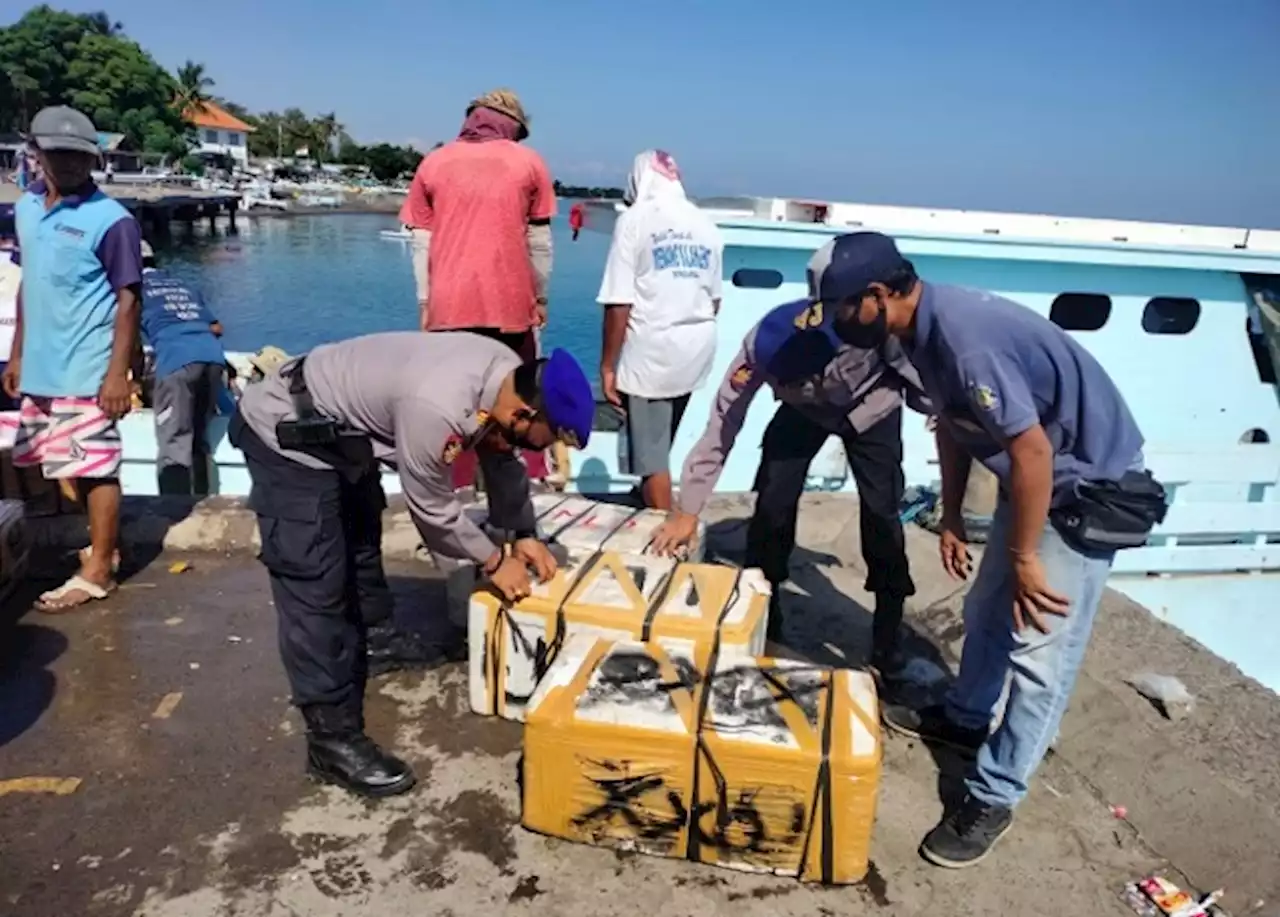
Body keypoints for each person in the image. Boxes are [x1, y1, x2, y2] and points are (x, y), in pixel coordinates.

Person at [823, 231, 1151, 869]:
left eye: (843, 309)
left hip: (1086, 485)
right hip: (1034, 479)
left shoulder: (968, 341)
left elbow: (1032, 453)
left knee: (1040, 653)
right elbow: (953, 425)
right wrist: (949, 516)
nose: (839, 324)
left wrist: (1027, 556)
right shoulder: (916, 332)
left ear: (878, 295)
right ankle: (967, 717)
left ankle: (995, 794)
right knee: (986, 609)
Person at [230, 332, 592, 797]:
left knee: (360, 541)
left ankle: (376, 642)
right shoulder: (437, 407)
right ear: (522, 413)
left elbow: (502, 458)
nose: (539, 452)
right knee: (316, 583)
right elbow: (433, 512)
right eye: (542, 441)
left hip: (342, 435)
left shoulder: (504, 376)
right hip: (286, 432)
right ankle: (332, 740)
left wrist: (523, 533)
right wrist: (495, 559)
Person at [652, 238, 931, 681]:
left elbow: (919, 373)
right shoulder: (759, 349)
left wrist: (942, 410)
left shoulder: (864, 326)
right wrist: (688, 511)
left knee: (881, 513)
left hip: (871, 408)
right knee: (773, 499)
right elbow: (722, 427)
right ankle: (765, 603)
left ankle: (887, 627)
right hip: (804, 415)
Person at [3, 106, 142, 612]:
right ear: (37, 155)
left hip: (87, 364)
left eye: (79, 157)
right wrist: (18, 352)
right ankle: (102, 546)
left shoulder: (113, 221)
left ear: (93, 159)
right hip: (40, 365)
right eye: (56, 154)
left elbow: (129, 298)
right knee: (62, 463)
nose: (67, 165)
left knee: (97, 466)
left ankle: (99, 569)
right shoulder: (27, 209)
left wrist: (117, 374)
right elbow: (27, 283)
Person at [399, 88, 556, 487]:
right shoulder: (529, 162)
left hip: (448, 310)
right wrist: (539, 297)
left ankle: (459, 491)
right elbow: (538, 242)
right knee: (517, 402)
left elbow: (422, 241)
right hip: (510, 310)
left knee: (455, 404)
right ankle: (512, 496)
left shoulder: (433, 163)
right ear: (514, 127)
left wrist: (425, 302)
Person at [598, 150, 723, 511]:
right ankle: (650, 501)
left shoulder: (635, 220)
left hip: (654, 351)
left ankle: (663, 536)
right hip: (697, 348)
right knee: (661, 441)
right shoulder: (706, 224)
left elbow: (618, 301)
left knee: (651, 459)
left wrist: (608, 366)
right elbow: (715, 301)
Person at [137, 241, 227, 495]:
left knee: (174, 442)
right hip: (212, 357)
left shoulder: (130, 289)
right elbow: (217, 328)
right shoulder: (181, 284)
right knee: (199, 439)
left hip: (177, 361)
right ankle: (203, 501)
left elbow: (127, 337)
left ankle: (173, 512)